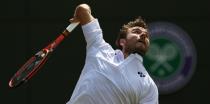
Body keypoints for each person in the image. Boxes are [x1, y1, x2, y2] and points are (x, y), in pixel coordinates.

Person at [66, 4, 159, 104]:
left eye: (146, 35)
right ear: (122, 41)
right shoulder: (99, 47)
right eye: (136, 32)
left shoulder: (149, 86)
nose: (144, 35)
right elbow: (83, 10)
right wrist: (78, 15)